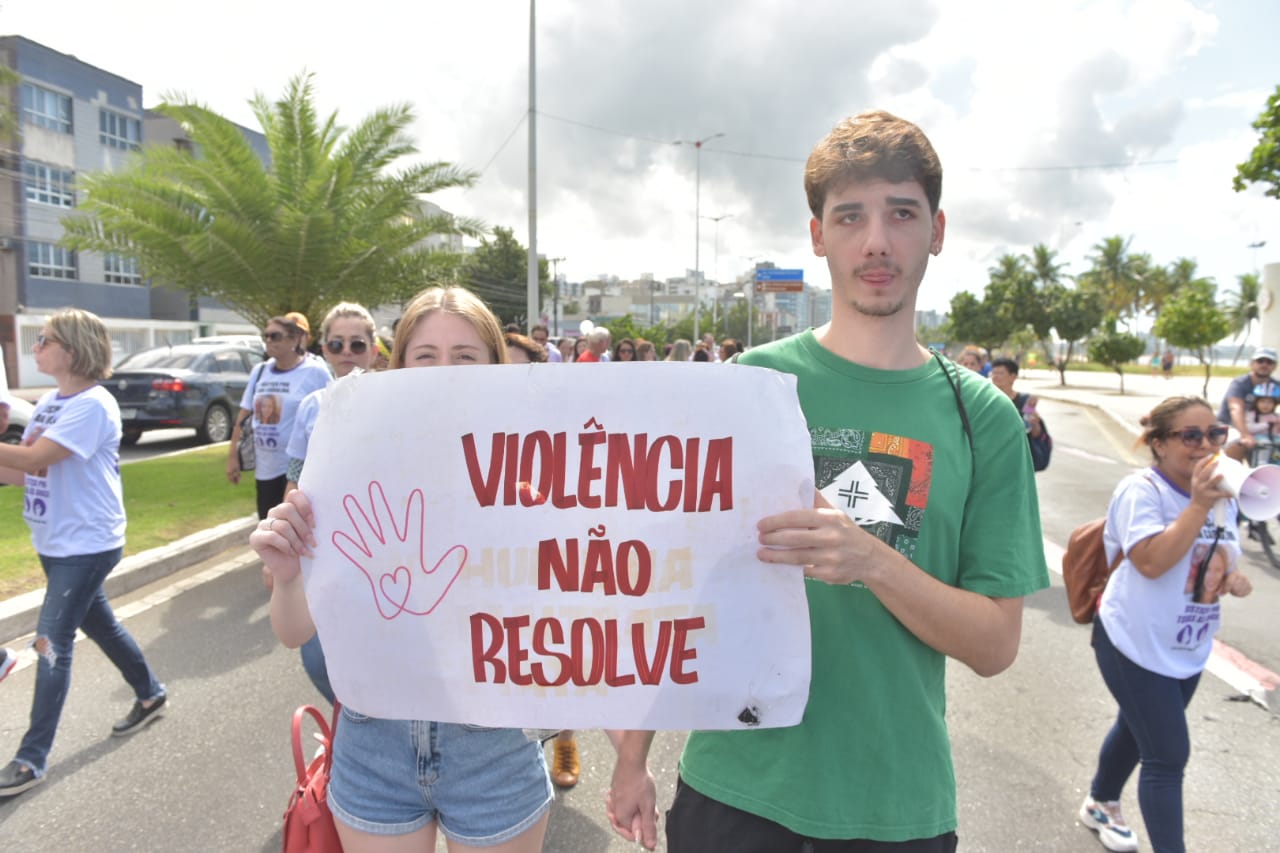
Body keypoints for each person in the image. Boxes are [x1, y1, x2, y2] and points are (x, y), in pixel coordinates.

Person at [607, 110, 1049, 851]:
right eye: (850, 217)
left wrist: (873, 560)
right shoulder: (753, 382)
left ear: (936, 230)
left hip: (894, 808)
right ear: (818, 237)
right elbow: (683, 589)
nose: (877, 241)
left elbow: (995, 644)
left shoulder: (986, 420)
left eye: (901, 213)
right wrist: (631, 756)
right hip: (734, 792)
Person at [250, 286, 552, 852]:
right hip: (372, 745)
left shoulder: (529, 490)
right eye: (425, 356)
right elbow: (293, 632)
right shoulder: (345, 475)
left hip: (493, 749)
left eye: (465, 357)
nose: (444, 372)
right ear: (397, 367)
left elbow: (588, 631)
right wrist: (290, 573)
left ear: (494, 369)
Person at [0, 308, 167, 797]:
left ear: (71, 349)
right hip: (56, 540)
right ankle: (151, 692)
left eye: (44, 339)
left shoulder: (94, 405)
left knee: (51, 643)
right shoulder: (52, 400)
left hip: (88, 543)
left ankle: (31, 759)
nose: (36, 346)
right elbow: (29, 471)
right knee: (102, 625)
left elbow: (33, 458)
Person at [1080, 397, 1251, 853]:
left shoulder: (1222, 496)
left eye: (1214, 434)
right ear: (1158, 444)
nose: (1205, 445)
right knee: (1168, 755)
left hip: (1187, 644)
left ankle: (1100, 802)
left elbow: (1209, 558)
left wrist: (1231, 577)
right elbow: (1152, 562)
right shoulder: (1142, 492)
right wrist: (1197, 504)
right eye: (1189, 436)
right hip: (1131, 640)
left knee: (1139, 731)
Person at [282, 302, 380, 704]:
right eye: (336, 344)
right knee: (318, 659)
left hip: (383, 550)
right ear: (323, 348)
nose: (346, 353)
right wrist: (281, 551)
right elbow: (294, 480)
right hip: (323, 549)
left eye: (357, 344)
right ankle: (350, 722)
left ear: (374, 349)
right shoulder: (310, 408)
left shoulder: (400, 401)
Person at [226, 315, 331, 520]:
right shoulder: (260, 371)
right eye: (266, 336)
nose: (269, 341)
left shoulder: (314, 372)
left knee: (294, 529)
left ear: (294, 340)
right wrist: (232, 456)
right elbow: (244, 414)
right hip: (265, 468)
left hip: (297, 468)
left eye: (275, 336)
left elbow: (331, 411)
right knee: (267, 528)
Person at [989, 356, 1052, 471]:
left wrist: (1034, 423)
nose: (995, 377)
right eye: (993, 373)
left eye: (1001, 373)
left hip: (1018, 458)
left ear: (1013, 377)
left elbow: (1034, 432)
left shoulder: (1025, 401)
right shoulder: (987, 400)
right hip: (993, 458)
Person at [1218, 346, 1277, 462]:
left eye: (1269, 362)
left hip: (1260, 428)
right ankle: (1231, 477)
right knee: (1238, 443)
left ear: (1274, 366)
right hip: (1230, 426)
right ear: (1252, 363)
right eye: (1260, 361)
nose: (1264, 364)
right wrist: (1245, 434)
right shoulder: (1240, 383)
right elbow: (1235, 408)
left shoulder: (1275, 386)